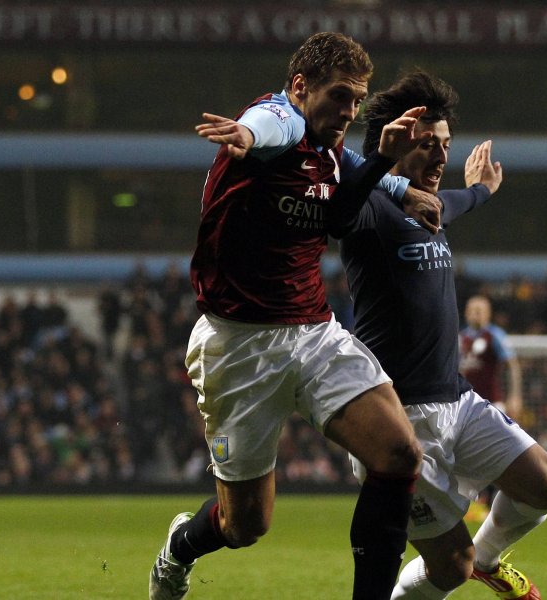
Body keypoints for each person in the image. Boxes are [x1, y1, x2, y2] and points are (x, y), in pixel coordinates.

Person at [149, 32, 437, 600]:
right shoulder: (274, 122)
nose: (349, 112)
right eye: (339, 97)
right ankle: (178, 549)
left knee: (400, 452)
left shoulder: (329, 145)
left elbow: (350, 163)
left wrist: (402, 189)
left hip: (313, 332)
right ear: (301, 87)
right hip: (239, 347)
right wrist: (245, 133)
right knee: (246, 526)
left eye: (358, 101)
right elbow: (269, 125)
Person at [338, 70, 547, 600]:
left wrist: (483, 189)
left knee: (546, 486)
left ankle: (487, 561)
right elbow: (340, 198)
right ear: (393, 144)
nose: (441, 157)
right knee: (450, 567)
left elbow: (457, 203)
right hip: (399, 424)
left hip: (458, 401)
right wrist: (375, 169)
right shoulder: (368, 208)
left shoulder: (430, 208)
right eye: (427, 145)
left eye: (445, 145)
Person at [459, 295, 524, 420]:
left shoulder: (495, 335)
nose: (473, 314)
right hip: (465, 404)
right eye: (470, 311)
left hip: (492, 402)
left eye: (478, 311)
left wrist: (515, 395)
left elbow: (512, 365)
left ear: (487, 314)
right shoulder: (461, 337)